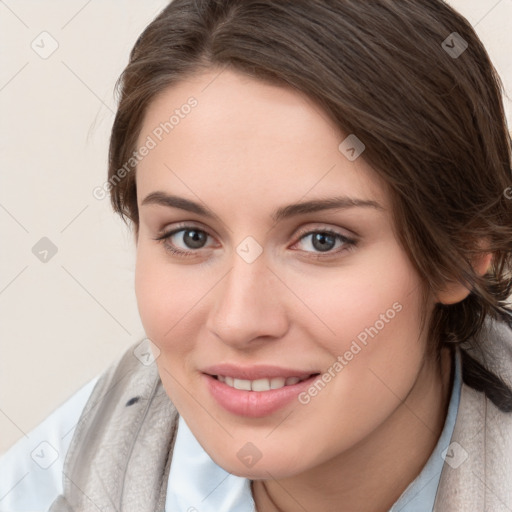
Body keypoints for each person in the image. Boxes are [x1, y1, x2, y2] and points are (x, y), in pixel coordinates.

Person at [1, 0, 512, 510]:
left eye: (322, 240)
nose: (239, 321)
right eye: (191, 237)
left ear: (464, 251)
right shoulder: (60, 475)